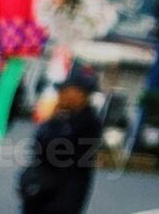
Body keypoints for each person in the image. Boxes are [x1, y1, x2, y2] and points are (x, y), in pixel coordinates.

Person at [18, 72, 103, 214]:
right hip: (39, 191)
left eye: (66, 90)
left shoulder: (88, 122)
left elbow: (57, 151)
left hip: (62, 196)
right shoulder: (62, 117)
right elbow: (38, 145)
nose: (61, 94)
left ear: (80, 94)